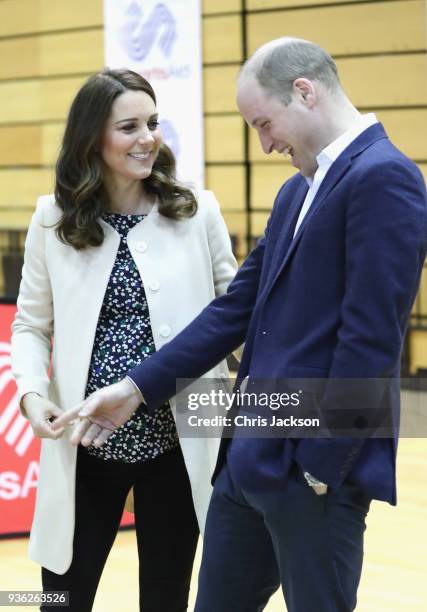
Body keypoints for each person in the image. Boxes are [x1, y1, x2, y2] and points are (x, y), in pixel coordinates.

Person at [54, 38, 427, 611]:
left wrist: (320, 469)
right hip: (247, 464)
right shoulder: (296, 188)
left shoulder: (385, 178)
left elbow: (371, 342)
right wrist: (134, 390)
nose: (264, 142)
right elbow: (233, 312)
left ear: (304, 92)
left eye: (263, 123)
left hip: (312, 472)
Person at [11, 68, 237, 612]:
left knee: (166, 595)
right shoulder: (52, 219)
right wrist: (31, 395)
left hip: (180, 441)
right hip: (85, 440)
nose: (147, 139)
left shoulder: (198, 209)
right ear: (93, 138)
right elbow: (29, 326)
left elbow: (238, 312)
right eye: (129, 127)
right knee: (63, 598)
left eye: (153, 123)